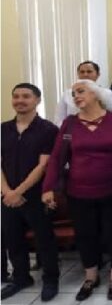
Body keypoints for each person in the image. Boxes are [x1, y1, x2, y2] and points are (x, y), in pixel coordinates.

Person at [42, 80, 112, 301]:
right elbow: (56, 158)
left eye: (81, 91)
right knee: (85, 234)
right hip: (79, 192)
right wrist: (48, 187)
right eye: (73, 94)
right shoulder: (69, 124)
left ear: (96, 95)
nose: (76, 96)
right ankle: (91, 276)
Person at [1, 84, 60, 301]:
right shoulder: (3, 129)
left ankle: (51, 280)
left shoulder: (48, 129)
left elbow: (43, 165)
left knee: (44, 240)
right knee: (13, 239)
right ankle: (21, 278)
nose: (20, 100)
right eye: (16, 96)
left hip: (36, 194)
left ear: (37, 100)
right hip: (7, 196)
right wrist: (7, 192)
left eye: (26, 96)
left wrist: (19, 191)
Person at [55, 60, 112, 126]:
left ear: (98, 74)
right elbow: (60, 119)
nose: (85, 74)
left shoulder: (107, 94)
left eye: (89, 72)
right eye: (82, 72)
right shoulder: (67, 94)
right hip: (74, 129)